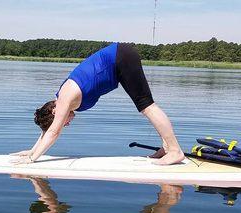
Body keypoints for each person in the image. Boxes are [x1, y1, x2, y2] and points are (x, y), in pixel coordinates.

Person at [11, 43, 184, 165]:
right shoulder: (61, 102)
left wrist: (32, 160)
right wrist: (32, 151)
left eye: (64, 122)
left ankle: (175, 150)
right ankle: (167, 147)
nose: (67, 123)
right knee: (146, 107)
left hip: (120, 58)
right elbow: (50, 130)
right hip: (119, 60)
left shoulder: (64, 99)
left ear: (55, 112)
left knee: (147, 106)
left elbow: (53, 132)